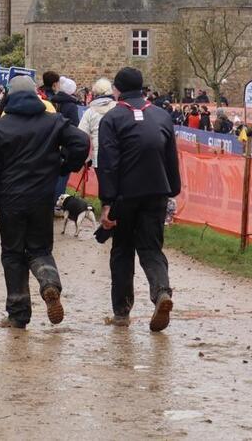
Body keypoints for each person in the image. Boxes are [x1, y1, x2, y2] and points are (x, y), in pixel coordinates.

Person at [0, 75, 89, 329]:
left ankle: (18, 313)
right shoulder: (53, 122)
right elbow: (81, 141)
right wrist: (65, 165)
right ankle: (49, 282)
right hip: (42, 197)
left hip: (11, 199)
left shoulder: (1, 127)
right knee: (40, 249)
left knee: (13, 254)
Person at [97, 67, 181, 332]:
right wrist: (172, 189)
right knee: (151, 249)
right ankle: (161, 292)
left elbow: (109, 163)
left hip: (125, 195)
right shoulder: (162, 115)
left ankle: (122, 312)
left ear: (117, 90)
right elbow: (171, 157)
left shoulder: (112, 119)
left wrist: (107, 203)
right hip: (157, 191)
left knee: (122, 251)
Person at [78, 78, 117, 176]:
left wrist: (86, 158)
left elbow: (81, 135)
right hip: (118, 155)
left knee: (104, 187)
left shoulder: (90, 112)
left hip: (99, 157)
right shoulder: (119, 109)